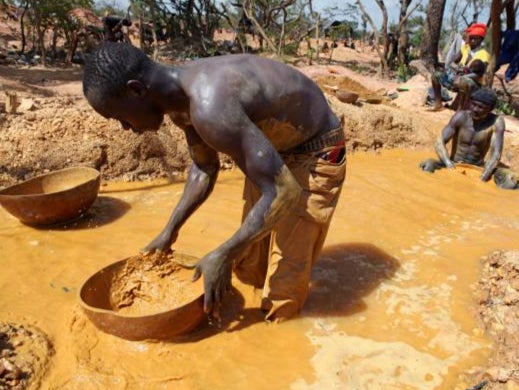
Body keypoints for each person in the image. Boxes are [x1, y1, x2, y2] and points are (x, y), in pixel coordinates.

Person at [82, 42, 347, 322]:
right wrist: (170, 231)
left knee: (283, 292)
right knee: (250, 269)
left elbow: (284, 191)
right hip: (272, 149)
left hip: (317, 148)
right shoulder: (180, 103)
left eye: (119, 117)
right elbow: (203, 167)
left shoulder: (210, 105)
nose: (125, 128)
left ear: (136, 90)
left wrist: (224, 253)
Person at [420, 87, 518, 189]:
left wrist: (483, 178)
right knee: (428, 164)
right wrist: (449, 164)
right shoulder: (461, 116)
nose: (475, 109)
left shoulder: (496, 122)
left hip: (478, 168)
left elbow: (496, 154)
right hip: (454, 164)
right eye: (473, 104)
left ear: (490, 109)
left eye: (480, 107)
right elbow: (439, 142)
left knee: (510, 180)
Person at [430, 23, 491, 111]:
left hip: (473, 83)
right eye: (471, 37)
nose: (473, 40)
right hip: (459, 76)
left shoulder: (484, 54)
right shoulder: (465, 48)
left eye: (476, 38)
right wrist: (456, 69)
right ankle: (438, 104)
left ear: (481, 40)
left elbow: (479, 75)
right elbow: (453, 62)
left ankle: (459, 111)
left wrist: (463, 76)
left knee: (463, 82)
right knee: (436, 75)